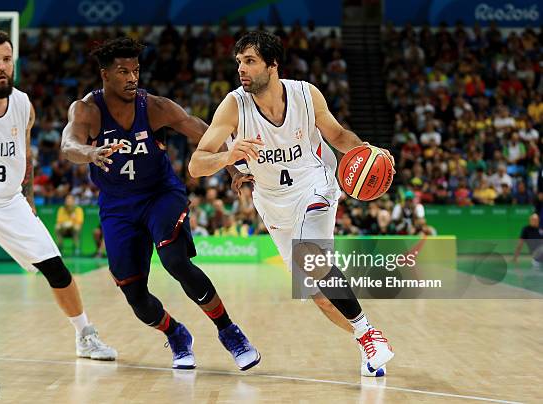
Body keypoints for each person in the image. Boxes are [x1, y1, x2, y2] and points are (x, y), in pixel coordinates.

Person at [189, 31, 394, 377]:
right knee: (318, 295)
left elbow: (339, 136)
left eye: (250, 61)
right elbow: (196, 165)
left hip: (316, 185)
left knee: (309, 256)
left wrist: (367, 150)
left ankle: (368, 333)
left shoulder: (304, 94)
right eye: (239, 62)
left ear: (272, 65)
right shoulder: (233, 105)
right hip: (273, 205)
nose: (241, 68)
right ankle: (366, 337)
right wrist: (228, 157)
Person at [60, 37, 260, 371]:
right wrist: (91, 153)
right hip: (117, 207)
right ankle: (176, 333)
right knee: (135, 296)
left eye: (136, 70)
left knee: (174, 260)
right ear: (104, 74)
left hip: (160, 195)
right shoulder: (87, 110)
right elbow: (68, 144)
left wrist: (232, 167)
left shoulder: (154, 107)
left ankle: (229, 332)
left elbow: (203, 133)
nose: (132, 78)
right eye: (123, 71)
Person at [0, 31, 115, 371]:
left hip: (7, 199)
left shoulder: (22, 104)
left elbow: (23, 154)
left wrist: (28, 196)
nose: (3, 67)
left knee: (55, 266)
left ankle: (84, 334)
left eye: (7, 59)